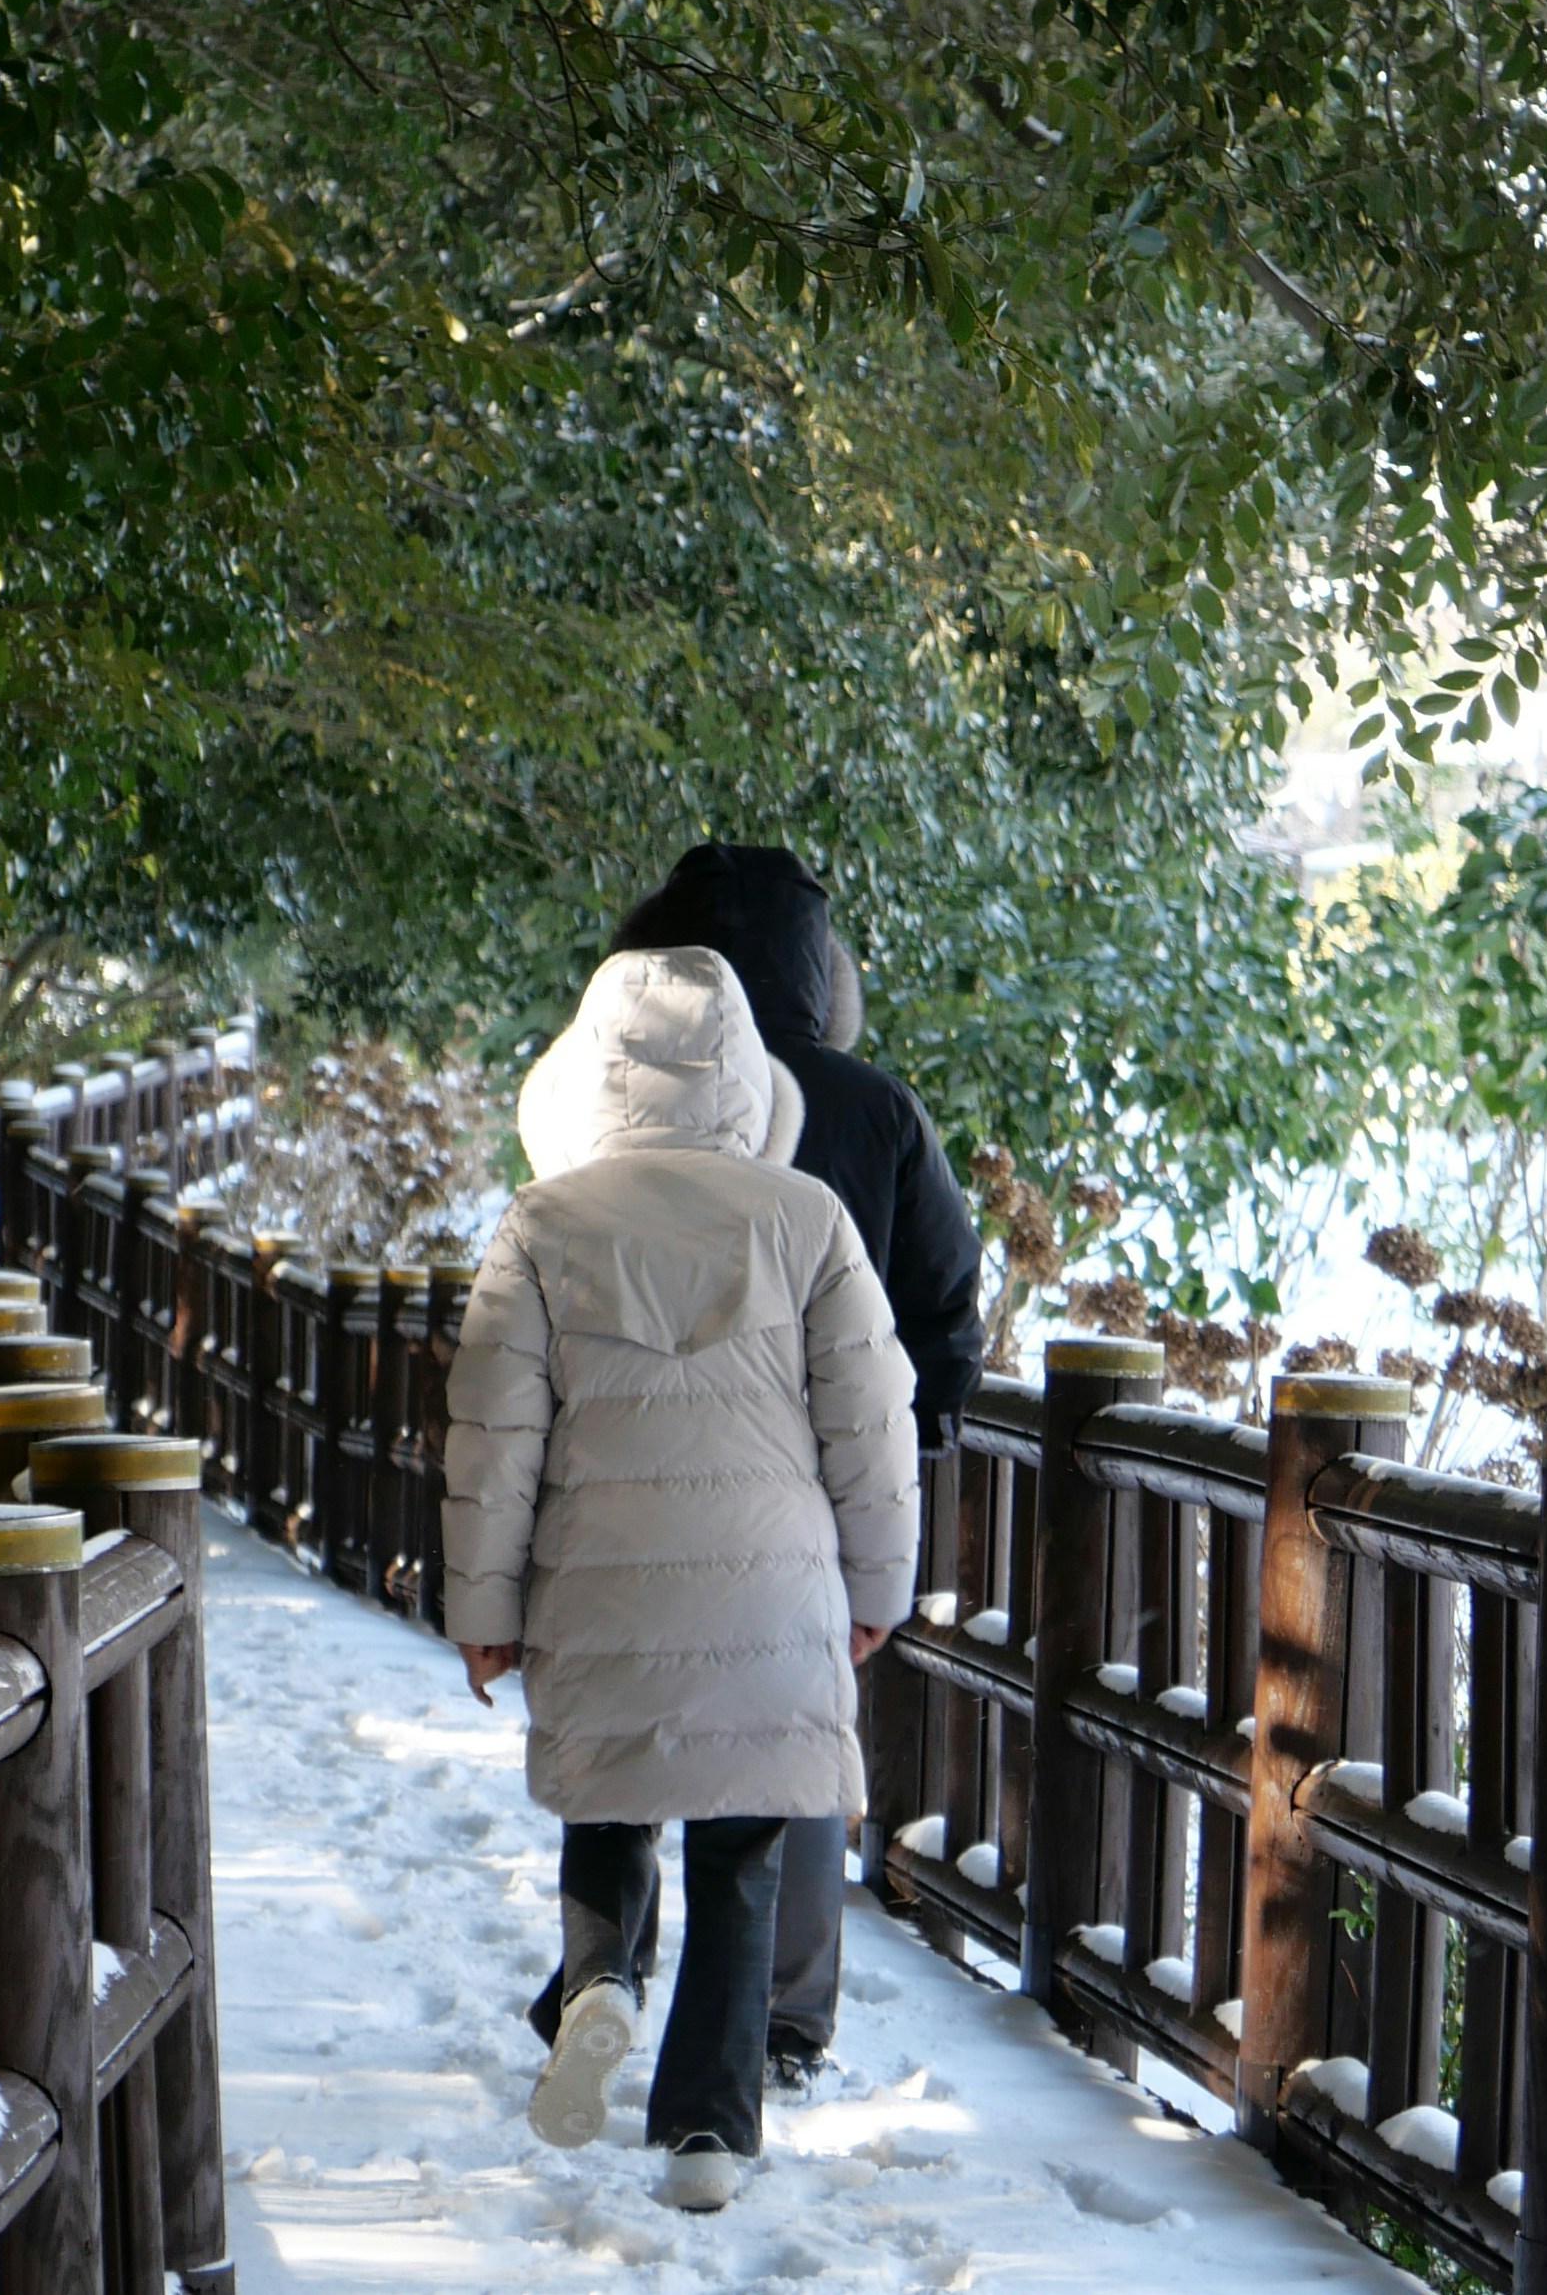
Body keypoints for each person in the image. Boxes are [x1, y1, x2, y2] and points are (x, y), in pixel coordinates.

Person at [444, 947, 921, 2212]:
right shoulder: (805, 1217)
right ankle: (707, 2130)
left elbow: (492, 1439)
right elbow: (872, 1423)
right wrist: (877, 1585)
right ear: (743, 1075)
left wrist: (484, 1615)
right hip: (771, 1589)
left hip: (595, 1582)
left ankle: (598, 1978)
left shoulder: (542, 1224)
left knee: (607, 1799)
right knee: (742, 1846)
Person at [605, 843, 980, 2089]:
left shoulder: (619, 1103)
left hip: (639, 1466)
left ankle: (606, 1964)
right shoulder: (873, 1109)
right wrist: (908, 1439)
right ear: (822, 970)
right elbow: (945, 1297)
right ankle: (778, 2020)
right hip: (811, 1484)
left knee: (631, 1703)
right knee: (796, 1737)